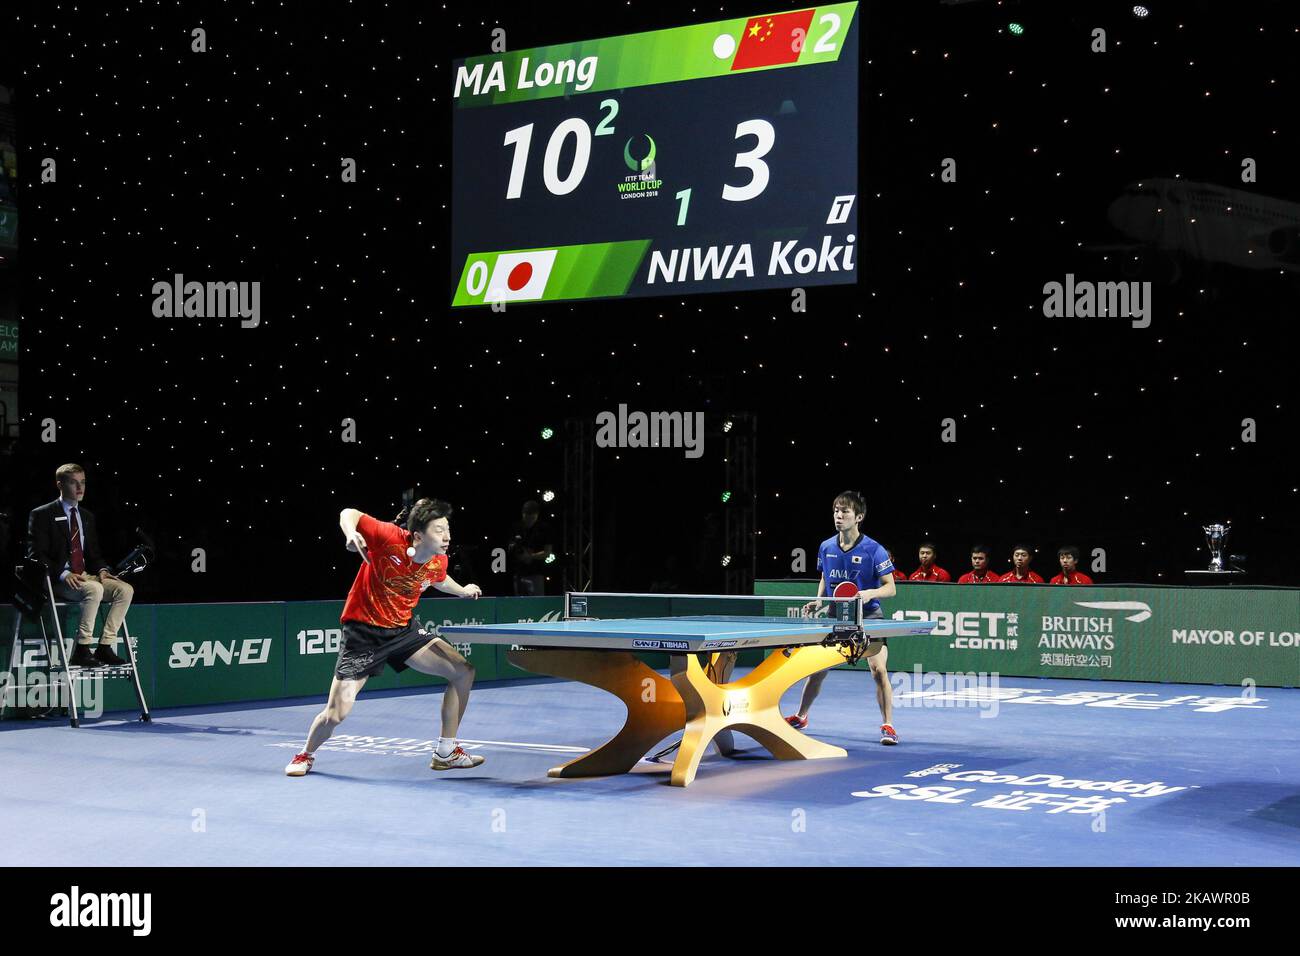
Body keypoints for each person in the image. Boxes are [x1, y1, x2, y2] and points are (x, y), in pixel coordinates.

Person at [285, 498, 484, 776]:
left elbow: (438, 579)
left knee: (463, 671)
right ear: (418, 535)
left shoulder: (439, 559)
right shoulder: (388, 537)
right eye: (439, 530)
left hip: (403, 630)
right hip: (364, 634)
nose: (447, 536)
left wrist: (462, 590)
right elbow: (348, 512)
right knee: (335, 714)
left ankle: (446, 751)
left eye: (447, 529)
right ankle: (305, 754)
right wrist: (350, 532)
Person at [786, 490, 901, 745]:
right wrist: (819, 599)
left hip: (869, 616)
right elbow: (825, 577)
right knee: (816, 670)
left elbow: (890, 587)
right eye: (836, 511)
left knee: (879, 670)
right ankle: (802, 716)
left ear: (858, 516)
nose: (839, 516)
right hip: (836, 616)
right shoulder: (826, 546)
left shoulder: (875, 549)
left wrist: (869, 592)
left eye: (845, 512)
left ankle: (888, 725)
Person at [27, 463, 132, 668]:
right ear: (60, 484)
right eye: (73, 482)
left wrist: (102, 570)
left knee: (125, 590)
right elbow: (36, 554)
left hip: (83, 575)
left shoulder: (86, 517)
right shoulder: (42, 514)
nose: (79, 487)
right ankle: (82, 650)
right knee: (94, 589)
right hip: (56, 580)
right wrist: (63, 574)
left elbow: (93, 554)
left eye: (82, 482)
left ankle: (104, 646)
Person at [510, 500, 553, 596]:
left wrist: (530, 556)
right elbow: (510, 547)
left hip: (536, 573)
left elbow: (547, 552)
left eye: (532, 518)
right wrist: (519, 553)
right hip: (519, 573)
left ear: (537, 515)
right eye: (526, 517)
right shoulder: (516, 527)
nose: (529, 521)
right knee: (520, 604)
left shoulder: (544, 528)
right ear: (522, 514)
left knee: (537, 604)